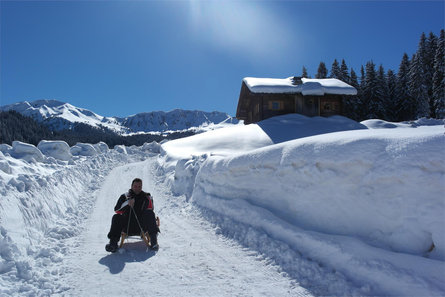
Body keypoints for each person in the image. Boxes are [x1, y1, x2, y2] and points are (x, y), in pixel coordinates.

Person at [105, 178, 160, 252]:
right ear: (131, 186)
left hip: (142, 227)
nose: (137, 188)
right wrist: (127, 203)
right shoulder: (125, 196)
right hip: (127, 226)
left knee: (150, 213)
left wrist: (149, 199)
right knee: (116, 217)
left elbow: (151, 209)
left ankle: (154, 242)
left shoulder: (146, 197)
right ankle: (113, 244)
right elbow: (117, 210)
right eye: (135, 186)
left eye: (139, 186)